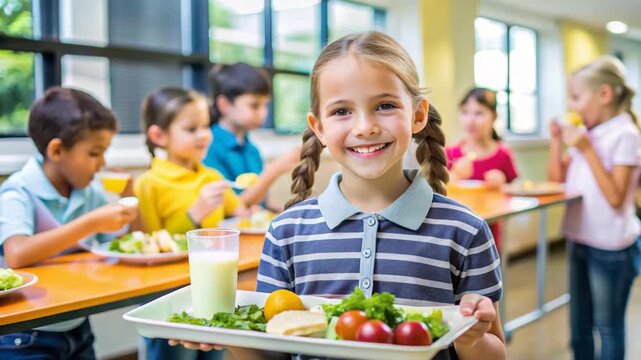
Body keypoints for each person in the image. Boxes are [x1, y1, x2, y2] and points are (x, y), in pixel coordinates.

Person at [173, 31, 507, 360]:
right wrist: (222, 333)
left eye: (385, 105)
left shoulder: (465, 231)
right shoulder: (286, 232)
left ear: (418, 114)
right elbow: (271, 352)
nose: (365, 127)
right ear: (318, 127)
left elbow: (495, 352)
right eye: (342, 111)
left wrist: (471, 340)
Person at [0, 87, 139, 359]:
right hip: (26, 334)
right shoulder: (18, 191)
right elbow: (16, 253)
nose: (102, 164)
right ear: (57, 149)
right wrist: (90, 223)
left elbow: (132, 241)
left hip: (77, 324)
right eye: (94, 153)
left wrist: (130, 200)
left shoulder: (87, 192)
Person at [135, 87, 246, 360]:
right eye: (191, 128)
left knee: (213, 354)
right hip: (168, 294)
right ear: (158, 136)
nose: (203, 134)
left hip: (214, 288)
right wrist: (194, 213)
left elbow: (241, 212)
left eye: (205, 125)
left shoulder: (211, 176)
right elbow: (150, 245)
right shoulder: (148, 183)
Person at [548, 56, 641, 360]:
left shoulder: (625, 134)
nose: (572, 106)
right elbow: (556, 180)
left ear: (604, 95)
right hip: (580, 239)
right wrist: (557, 142)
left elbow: (616, 198)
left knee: (608, 326)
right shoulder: (591, 131)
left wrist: (586, 149)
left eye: (576, 97)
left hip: (611, 249)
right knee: (579, 324)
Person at [203, 63, 300, 211]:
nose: (263, 113)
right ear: (224, 104)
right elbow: (232, 207)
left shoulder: (252, 149)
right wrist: (273, 170)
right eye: (254, 105)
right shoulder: (207, 146)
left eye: (265, 105)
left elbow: (260, 204)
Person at [446, 88, 519, 253]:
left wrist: (501, 185)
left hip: (488, 236)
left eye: (479, 113)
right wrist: (455, 175)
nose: (470, 120)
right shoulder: (450, 153)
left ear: (493, 117)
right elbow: (436, 191)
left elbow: (516, 194)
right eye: (465, 112)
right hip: (454, 234)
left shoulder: (503, 155)